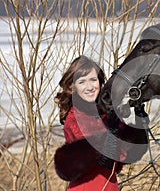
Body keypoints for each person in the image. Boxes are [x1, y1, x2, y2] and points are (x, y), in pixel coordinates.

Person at [54, 55, 148, 191]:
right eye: (82, 82)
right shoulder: (74, 119)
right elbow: (104, 159)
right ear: (72, 86)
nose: (89, 86)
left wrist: (138, 123)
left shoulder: (103, 115)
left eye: (93, 79)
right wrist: (113, 130)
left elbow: (128, 154)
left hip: (109, 186)